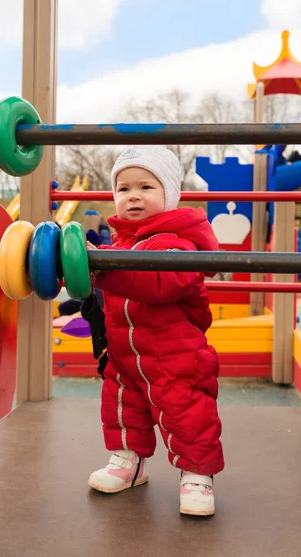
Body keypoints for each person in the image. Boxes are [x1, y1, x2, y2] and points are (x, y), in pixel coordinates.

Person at [86, 146, 224, 517]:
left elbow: (159, 281)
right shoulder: (118, 244)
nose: (133, 196)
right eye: (123, 189)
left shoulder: (178, 242)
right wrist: (79, 267)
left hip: (173, 357)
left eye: (146, 187)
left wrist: (104, 268)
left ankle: (197, 473)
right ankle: (127, 463)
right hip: (125, 355)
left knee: (188, 414)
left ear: (170, 195)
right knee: (121, 410)